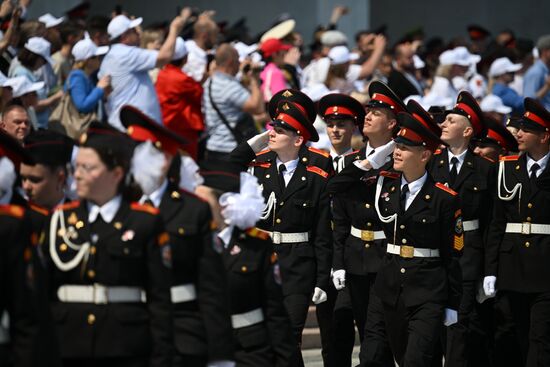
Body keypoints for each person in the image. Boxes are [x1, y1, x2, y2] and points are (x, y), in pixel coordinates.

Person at [46, 122, 174, 366]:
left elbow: (160, 301)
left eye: (88, 167)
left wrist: (161, 359)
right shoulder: (59, 219)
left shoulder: (144, 221)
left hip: (125, 346)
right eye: (77, 167)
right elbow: (43, 295)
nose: (78, 174)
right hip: (68, 345)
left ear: (116, 174)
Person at [121, 105, 235, 367]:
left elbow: (211, 288)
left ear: (162, 160)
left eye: (138, 151)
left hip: (183, 334)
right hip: (130, 335)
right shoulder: (121, 207)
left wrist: (220, 356)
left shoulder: (192, 210)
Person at [353, 109, 463, 367]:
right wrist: (373, 160)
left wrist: (453, 303)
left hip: (426, 291)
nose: (398, 152)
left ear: (425, 154)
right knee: (370, 358)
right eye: (397, 146)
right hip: (387, 288)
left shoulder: (444, 198)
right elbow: (338, 187)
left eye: (406, 147)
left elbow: (453, 254)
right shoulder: (384, 186)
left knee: (416, 360)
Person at [230, 100, 332, 367]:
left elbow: (322, 231)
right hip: (262, 260)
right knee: (269, 338)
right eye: (272, 127)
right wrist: (257, 142)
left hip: (297, 265)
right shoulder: (258, 165)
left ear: (298, 139)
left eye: (281, 130)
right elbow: (229, 165)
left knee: (289, 336)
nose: (273, 132)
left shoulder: (316, 175)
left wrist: (322, 279)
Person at [200, 161, 298, 367]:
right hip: (206, 348)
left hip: (250, 348)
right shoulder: (194, 244)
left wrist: (286, 359)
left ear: (224, 204)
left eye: (203, 201)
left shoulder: (255, 246)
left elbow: (274, 310)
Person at [428, 91, 496, 367]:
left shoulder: (485, 168)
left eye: (451, 120)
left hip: (467, 255)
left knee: (459, 327)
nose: (443, 124)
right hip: (436, 254)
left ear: (467, 131)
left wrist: (489, 270)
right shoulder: (431, 163)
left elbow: (492, 223)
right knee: (434, 330)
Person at [484, 98, 550, 367]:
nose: (519, 134)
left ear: (545, 136)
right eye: (519, 128)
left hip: (546, 266)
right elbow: (496, 223)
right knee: (512, 334)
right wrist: (490, 269)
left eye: (528, 129)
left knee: (541, 337)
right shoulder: (506, 167)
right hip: (511, 266)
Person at [316, 93, 372, 367]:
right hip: (325, 254)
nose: (335, 130)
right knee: (332, 331)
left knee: (365, 325)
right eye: (330, 124)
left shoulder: (363, 163)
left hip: (355, 252)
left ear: (354, 127)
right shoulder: (316, 164)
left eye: (342, 124)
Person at [98, 11, 188, 131]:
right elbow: (164, 57)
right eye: (134, 31)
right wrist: (174, 30)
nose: (138, 33)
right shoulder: (125, 53)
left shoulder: (111, 57)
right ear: (125, 37)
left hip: (125, 126)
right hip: (135, 130)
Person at [202, 44, 263, 162]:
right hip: (230, 149)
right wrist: (255, 79)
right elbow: (257, 107)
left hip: (213, 147)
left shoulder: (210, 82)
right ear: (231, 62)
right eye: (238, 60)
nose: (239, 64)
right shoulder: (228, 86)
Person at [156, 37, 204, 160]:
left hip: (165, 127)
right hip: (183, 130)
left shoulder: (162, 73)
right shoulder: (182, 79)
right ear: (185, 58)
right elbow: (199, 94)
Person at [9, 37, 63, 129]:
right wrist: (56, 97)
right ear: (35, 57)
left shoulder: (27, 72)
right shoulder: (22, 74)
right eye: (44, 60)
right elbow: (31, 105)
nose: (43, 64)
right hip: (32, 126)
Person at [20, 130, 73, 210]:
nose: (26, 186)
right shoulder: (16, 215)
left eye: (34, 180)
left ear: (60, 179)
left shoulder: (81, 218)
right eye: (23, 179)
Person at [66, 37, 110, 116]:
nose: (99, 59)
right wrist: (99, 89)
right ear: (88, 60)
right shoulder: (77, 77)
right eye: (97, 57)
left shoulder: (87, 75)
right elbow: (82, 105)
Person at [183, 13, 219, 83]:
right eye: (214, 36)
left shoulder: (202, 50)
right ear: (204, 36)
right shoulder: (192, 55)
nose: (216, 40)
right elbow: (199, 84)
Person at [523, 35, 550, 110]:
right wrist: (547, 86)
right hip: (541, 120)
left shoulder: (546, 70)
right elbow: (529, 101)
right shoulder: (536, 71)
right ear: (545, 51)